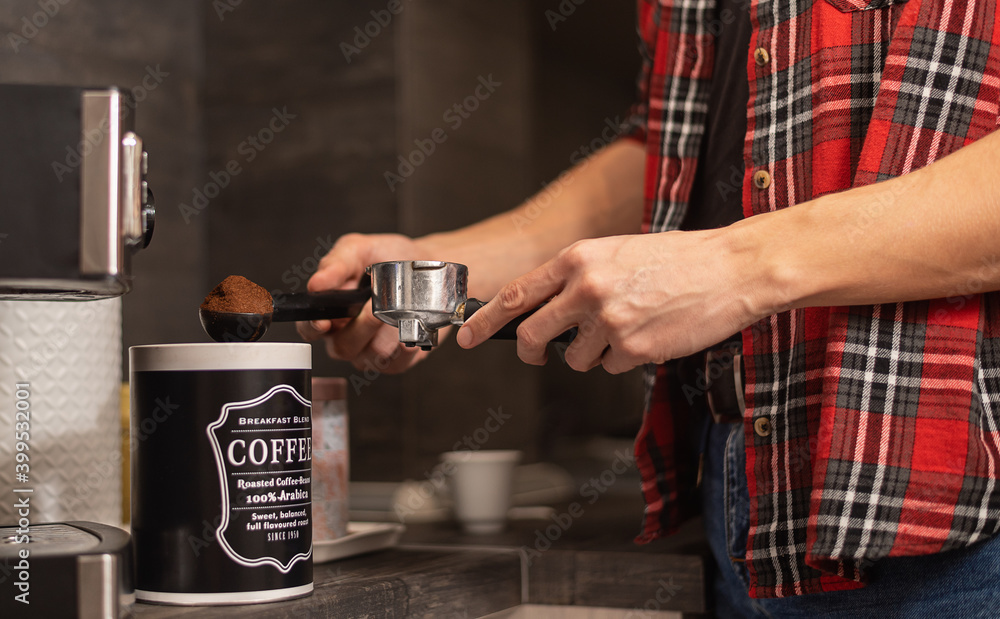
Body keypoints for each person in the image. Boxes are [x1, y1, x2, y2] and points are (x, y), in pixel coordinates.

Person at [299, 0, 1000, 615]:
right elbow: (669, 151)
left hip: (955, 519)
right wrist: (441, 269)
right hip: (743, 493)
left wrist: (733, 267)